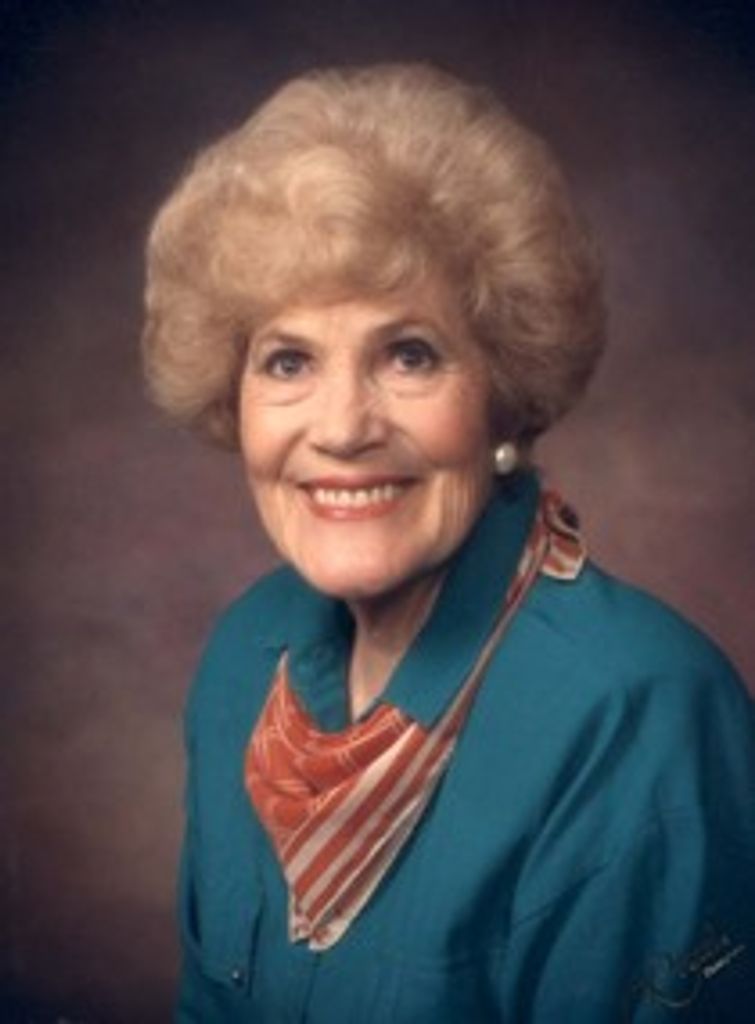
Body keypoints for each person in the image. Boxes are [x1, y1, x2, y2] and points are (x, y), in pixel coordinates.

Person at [142, 64, 755, 1022]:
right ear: (235, 399)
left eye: (409, 355)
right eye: (288, 361)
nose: (342, 428)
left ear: (502, 394)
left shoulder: (641, 716)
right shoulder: (241, 662)